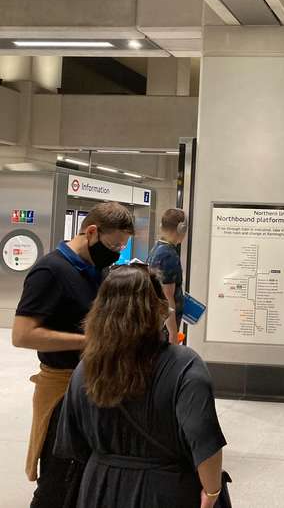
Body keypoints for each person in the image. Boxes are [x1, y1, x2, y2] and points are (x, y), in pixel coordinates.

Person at [54, 265, 227, 507]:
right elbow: (204, 440)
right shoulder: (185, 365)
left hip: (100, 487)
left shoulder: (87, 368)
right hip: (167, 489)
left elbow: (73, 443)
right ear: (156, 309)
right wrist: (211, 492)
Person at [12, 202, 134, 507]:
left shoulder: (97, 268)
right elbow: (23, 334)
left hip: (93, 387)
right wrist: (89, 340)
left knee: (86, 478)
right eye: (113, 245)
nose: (117, 251)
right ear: (91, 232)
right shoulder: (50, 270)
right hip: (62, 395)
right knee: (58, 479)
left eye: (122, 245)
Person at [148, 208, 187, 344]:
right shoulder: (168, 255)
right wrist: (173, 334)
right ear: (181, 229)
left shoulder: (158, 248)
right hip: (165, 328)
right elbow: (167, 297)